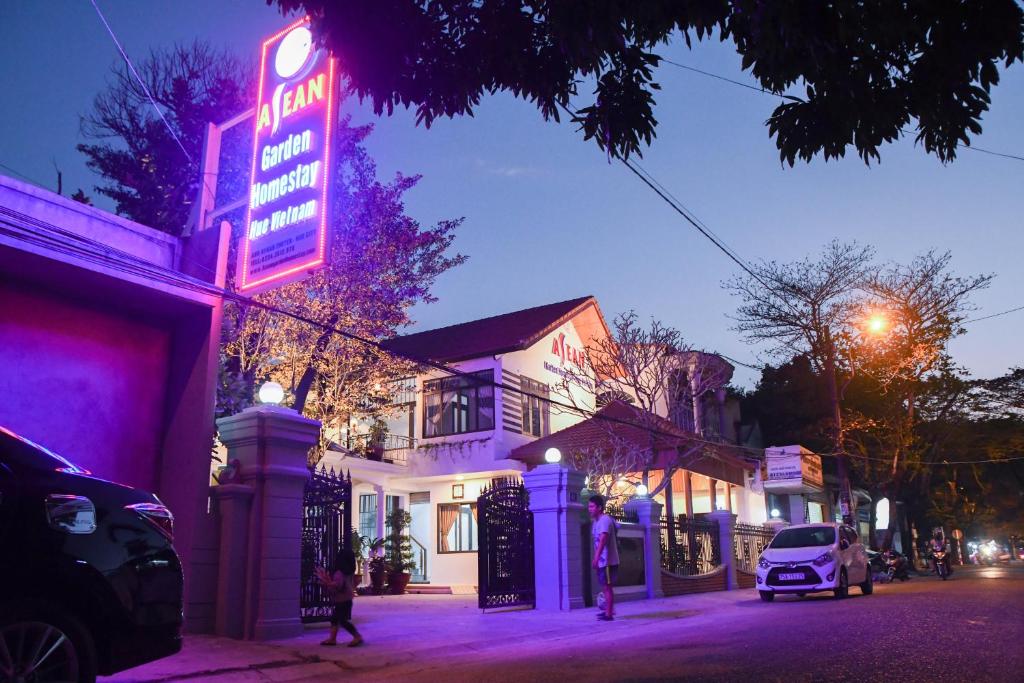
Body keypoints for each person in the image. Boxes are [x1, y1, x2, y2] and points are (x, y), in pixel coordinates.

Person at [316, 548, 364, 647]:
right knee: (335, 619)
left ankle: (357, 636)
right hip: (346, 599)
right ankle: (332, 639)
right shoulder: (349, 572)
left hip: (342, 599)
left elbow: (337, 584)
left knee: (342, 620)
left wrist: (326, 581)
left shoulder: (339, 572)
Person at [589, 494, 619, 622]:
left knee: (607, 587)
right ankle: (609, 610)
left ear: (599, 507)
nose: (589, 509)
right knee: (605, 586)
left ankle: (609, 614)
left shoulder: (604, 520)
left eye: (592, 506)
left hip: (607, 561)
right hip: (603, 561)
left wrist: (596, 558)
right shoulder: (596, 522)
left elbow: (603, 540)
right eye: (589, 506)